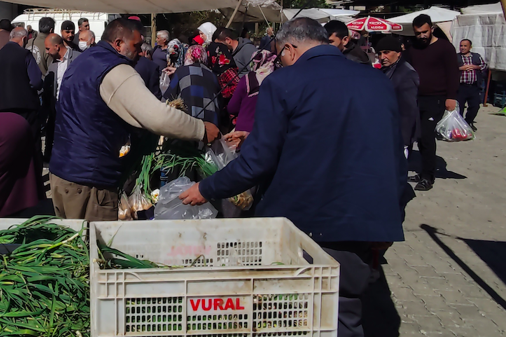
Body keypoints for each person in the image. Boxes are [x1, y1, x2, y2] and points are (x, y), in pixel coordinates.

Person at [179, 17, 412, 337]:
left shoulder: (284, 82)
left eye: (280, 55)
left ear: (290, 48)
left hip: (306, 225)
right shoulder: (376, 81)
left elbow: (257, 163)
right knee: (344, 311)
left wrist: (206, 187)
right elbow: (386, 147)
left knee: (292, 313)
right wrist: (394, 212)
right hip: (366, 221)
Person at [49, 18, 220, 221]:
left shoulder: (84, 60)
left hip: (62, 174)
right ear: (118, 43)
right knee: (93, 248)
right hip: (89, 181)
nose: (141, 52)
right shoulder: (115, 69)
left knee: (73, 247)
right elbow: (157, 116)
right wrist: (200, 129)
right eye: (136, 46)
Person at [405, 14, 460, 191]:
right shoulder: (413, 48)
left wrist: (451, 97)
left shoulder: (445, 47)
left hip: (436, 98)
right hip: (416, 98)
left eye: (424, 32)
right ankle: (423, 171)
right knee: (418, 137)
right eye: (418, 33)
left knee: (427, 137)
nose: (422, 36)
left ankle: (428, 176)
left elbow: (453, 73)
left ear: (432, 29)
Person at [0, 27, 44, 171]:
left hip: (4, 107)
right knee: (32, 143)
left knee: (11, 143)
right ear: (24, 39)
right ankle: (35, 179)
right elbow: (36, 81)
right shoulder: (25, 54)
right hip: (27, 106)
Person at [377, 35, 420, 155]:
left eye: (386, 52)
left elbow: (409, 110)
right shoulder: (385, 70)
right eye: (379, 54)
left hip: (398, 134)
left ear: (398, 53)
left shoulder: (406, 73)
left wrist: (404, 140)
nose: (382, 57)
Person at [42, 33, 82, 161]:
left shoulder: (78, 59)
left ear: (57, 46)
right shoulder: (53, 65)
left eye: (48, 48)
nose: (47, 52)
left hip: (74, 107)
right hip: (57, 107)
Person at [163, 45, 220, 126]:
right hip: (210, 122)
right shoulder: (212, 75)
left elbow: (168, 97)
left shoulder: (181, 71)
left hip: (188, 121)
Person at [227, 49, 278, 135]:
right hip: (268, 134)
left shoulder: (247, 79)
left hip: (243, 133)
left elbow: (232, 107)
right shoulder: (279, 81)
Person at [457, 38, 488, 130]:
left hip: (473, 86)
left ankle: (468, 122)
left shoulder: (476, 56)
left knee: (475, 106)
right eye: (461, 45)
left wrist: (476, 67)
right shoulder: (456, 57)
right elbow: (449, 68)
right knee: (460, 107)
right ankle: (460, 125)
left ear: (470, 47)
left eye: (465, 46)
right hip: (461, 87)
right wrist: (460, 68)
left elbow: (484, 66)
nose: (462, 48)